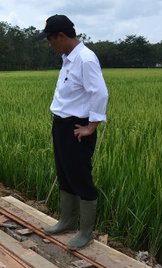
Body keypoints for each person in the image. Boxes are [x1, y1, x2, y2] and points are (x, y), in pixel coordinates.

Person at [36, 15, 109, 250]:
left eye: (50, 39)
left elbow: (100, 93)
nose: (49, 44)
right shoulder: (67, 58)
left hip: (78, 127)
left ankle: (86, 231)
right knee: (65, 173)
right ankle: (67, 221)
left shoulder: (85, 59)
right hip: (61, 124)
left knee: (80, 176)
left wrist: (92, 126)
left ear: (62, 36)